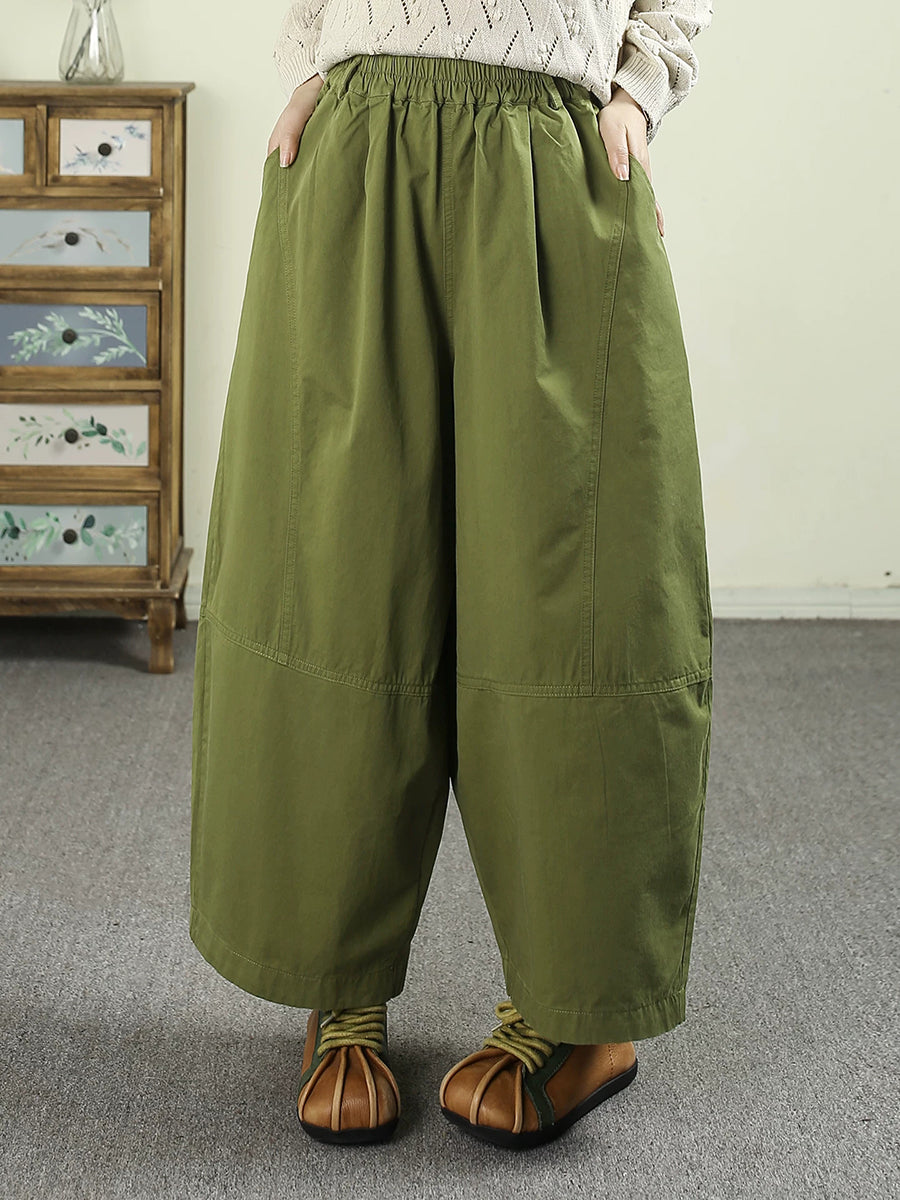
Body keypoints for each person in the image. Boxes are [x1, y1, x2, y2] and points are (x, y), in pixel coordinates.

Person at [190, 0, 715, 1151]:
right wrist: (307, 65)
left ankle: (580, 1015)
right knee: (340, 583)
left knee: (574, 603)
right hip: (360, 138)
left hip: (550, 147)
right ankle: (339, 983)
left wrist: (638, 91)